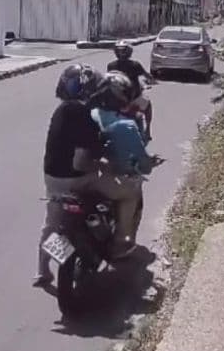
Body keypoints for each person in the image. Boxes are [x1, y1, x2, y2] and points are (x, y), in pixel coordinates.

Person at [35, 64, 144, 286]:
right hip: (78, 180)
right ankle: (121, 243)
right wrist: (106, 166)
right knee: (130, 191)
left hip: (53, 180)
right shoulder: (84, 116)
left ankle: (43, 271)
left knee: (52, 224)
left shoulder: (61, 111)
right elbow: (82, 162)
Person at [89, 71, 163, 253]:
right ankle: (121, 242)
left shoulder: (91, 114)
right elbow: (143, 162)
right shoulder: (126, 126)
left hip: (87, 175)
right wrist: (147, 166)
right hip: (113, 179)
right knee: (132, 195)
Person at [107, 41, 156, 140]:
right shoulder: (135, 65)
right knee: (148, 105)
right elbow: (147, 76)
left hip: (116, 99)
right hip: (133, 98)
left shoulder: (111, 65)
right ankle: (148, 130)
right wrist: (152, 79)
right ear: (130, 52)